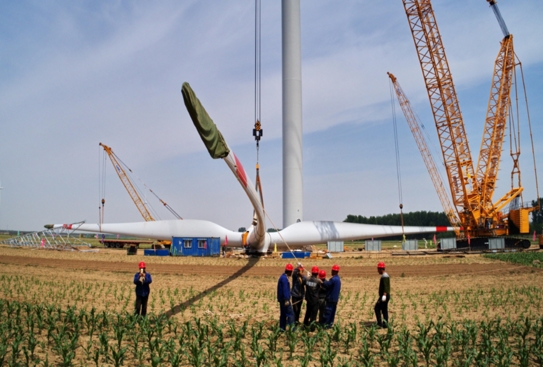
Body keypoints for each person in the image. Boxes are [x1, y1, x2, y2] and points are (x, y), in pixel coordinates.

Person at [303, 266, 322, 330]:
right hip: (315, 300)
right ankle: (312, 328)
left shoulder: (307, 279)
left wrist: (308, 276)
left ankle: (305, 324)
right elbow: (321, 287)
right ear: (317, 273)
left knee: (307, 313)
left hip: (308, 299)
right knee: (313, 315)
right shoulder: (318, 281)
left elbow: (304, 282)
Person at [322, 264, 341, 328]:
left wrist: (323, 280)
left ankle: (325, 325)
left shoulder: (333, 279)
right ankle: (330, 324)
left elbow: (327, 285)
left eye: (332, 270)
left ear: (334, 271)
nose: (331, 272)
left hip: (330, 298)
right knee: (332, 312)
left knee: (328, 312)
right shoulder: (338, 279)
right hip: (335, 299)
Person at [277, 263, 295, 331]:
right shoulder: (284, 279)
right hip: (285, 300)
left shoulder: (282, 277)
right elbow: (285, 290)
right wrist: (286, 299)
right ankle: (292, 329)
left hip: (281, 299)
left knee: (283, 314)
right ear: (289, 271)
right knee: (290, 314)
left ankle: (282, 328)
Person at [374, 262, 390, 328]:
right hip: (386, 295)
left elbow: (386, 286)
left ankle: (379, 323)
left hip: (384, 296)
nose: (377, 271)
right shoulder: (385, 275)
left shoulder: (384, 276)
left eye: (378, 269)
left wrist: (384, 296)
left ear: (381, 269)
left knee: (377, 308)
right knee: (384, 309)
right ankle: (385, 324)